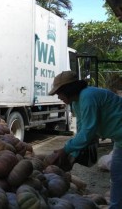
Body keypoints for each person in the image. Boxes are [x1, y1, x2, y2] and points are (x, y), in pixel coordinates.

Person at [48, 70, 122, 208]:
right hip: (120, 140)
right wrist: (72, 157)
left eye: (59, 93)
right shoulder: (76, 103)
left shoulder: (88, 96)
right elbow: (83, 132)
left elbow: (89, 132)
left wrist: (65, 150)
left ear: (68, 89)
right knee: (117, 176)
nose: (58, 97)